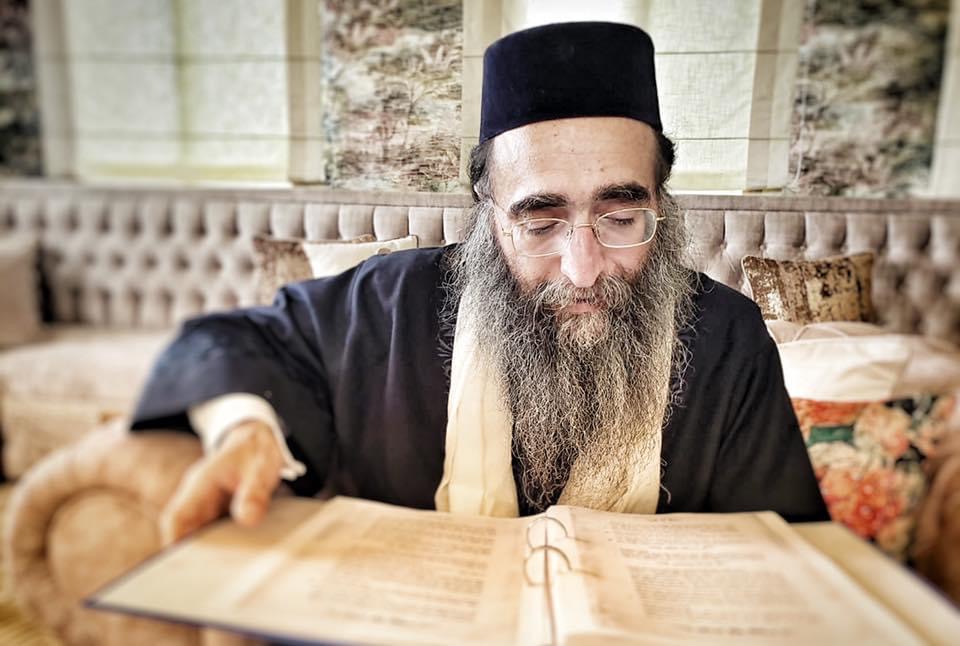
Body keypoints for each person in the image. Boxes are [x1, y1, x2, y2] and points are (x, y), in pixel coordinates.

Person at [131, 21, 828, 543]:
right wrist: (246, 428)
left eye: (621, 218)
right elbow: (233, 340)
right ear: (490, 217)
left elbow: (777, 554)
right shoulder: (388, 306)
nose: (583, 269)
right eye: (540, 222)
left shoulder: (728, 338)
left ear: (661, 204)